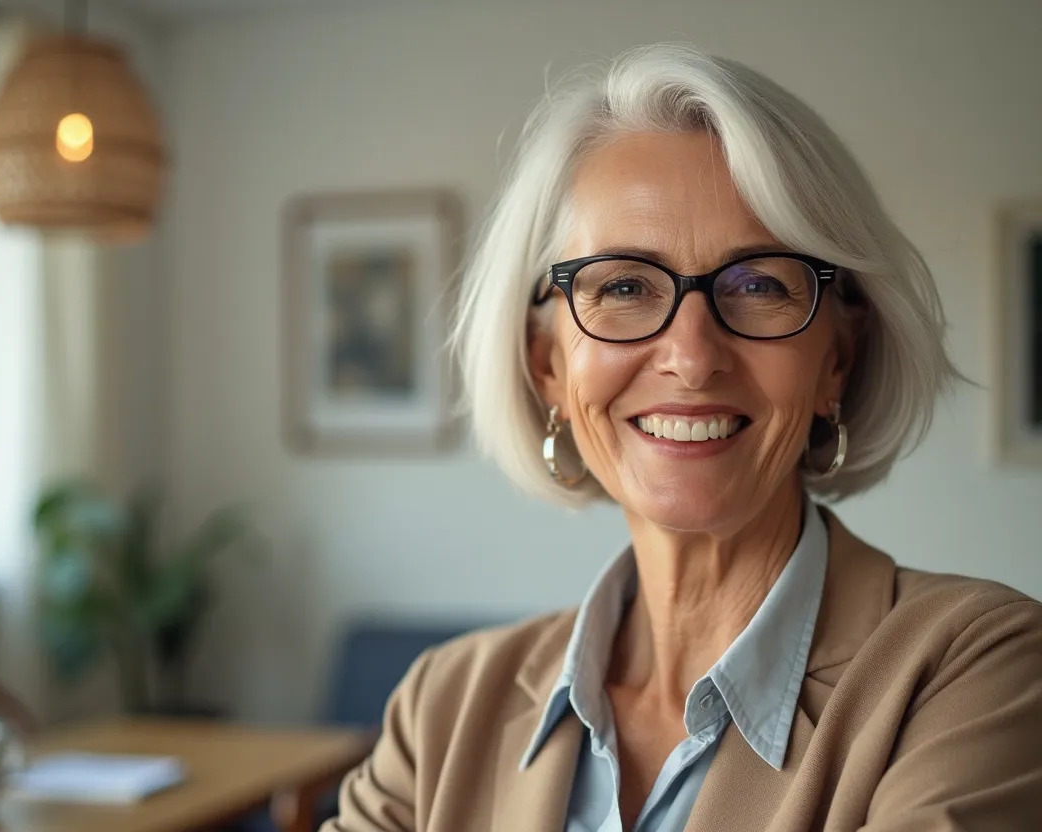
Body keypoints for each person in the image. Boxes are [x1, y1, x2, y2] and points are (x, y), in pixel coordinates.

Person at [321, 44, 1042, 832]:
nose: (693, 358)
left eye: (759, 284)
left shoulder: (976, 673)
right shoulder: (443, 707)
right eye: (624, 285)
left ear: (836, 358)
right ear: (549, 367)